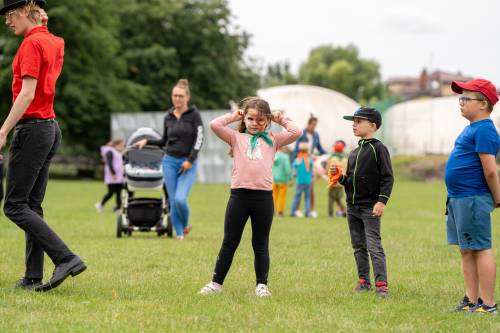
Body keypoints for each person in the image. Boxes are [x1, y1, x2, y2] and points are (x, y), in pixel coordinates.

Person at [0, 0, 86, 292]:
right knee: (31, 205)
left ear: (25, 10)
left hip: (33, 129)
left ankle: (66, 257)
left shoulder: (30, 45)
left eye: (10, 15)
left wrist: (2, 131)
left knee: (13, 206)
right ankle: (33, 275)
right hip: (50, 128)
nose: (6, 21)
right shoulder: (52, 41)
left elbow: (26, 95)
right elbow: (48, 50)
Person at [199, 97, 301, 296]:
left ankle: (262, 285)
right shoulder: (236, 138)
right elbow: (214, 124)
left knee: (260, 242)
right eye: (251, 119)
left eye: (261, 120)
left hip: (263, 199)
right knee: (230, 241)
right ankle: (216, 284)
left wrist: (280, 119)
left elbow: (297, 132)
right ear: (245, 119)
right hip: (239, 198)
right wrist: (234, 116)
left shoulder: (274, 139)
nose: (255, 123)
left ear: (267, 121)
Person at [445, 79, 499, 315]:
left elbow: (490, 170)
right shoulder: (472, 128)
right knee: (467, 249)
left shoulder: (485, 129)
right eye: (461, 98)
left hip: (473, 198)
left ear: (483, 104)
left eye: (466, 98)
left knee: (481, 248)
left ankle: (488, 304)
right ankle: (471, 298)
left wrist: (498, 197)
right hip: (458, 198)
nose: (461, 103)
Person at [329, 107, 394, 298]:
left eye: (358, 121)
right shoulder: (355, 152)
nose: (354, 124)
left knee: (374, 245)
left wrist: (381, 201)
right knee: (358, 245)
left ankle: (381, 285)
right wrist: (340, 178)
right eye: (353, 121)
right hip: (352, 206)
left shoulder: (378, 148)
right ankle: (364, 281)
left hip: (370, 207)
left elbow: (388, 178)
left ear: (372, 126)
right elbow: (350, 181)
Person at [135, 79, 204, 240]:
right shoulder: (168, 117)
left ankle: (185, 225)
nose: (177, 98)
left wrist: (190, 160)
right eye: (174, 95)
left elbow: (199, 139)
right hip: (169, 162)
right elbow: (164, 141)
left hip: (188, 163)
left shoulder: (194, 115)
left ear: (187, 97)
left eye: (180, 96)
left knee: (181, 199)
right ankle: (179, 235)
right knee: (173, 201)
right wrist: (147, 141)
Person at [294, 114, 326, 218]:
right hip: (301, 161)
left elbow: (320, 148)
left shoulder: (316, 135)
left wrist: (328, 155)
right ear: (308, 124)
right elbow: (297, 150)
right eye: (312, 124)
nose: (314, 127)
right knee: (299, 188)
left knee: (310, 187)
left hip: (311, 162)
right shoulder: (302, 134)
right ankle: (296, 210)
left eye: (315, 125)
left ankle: (311, 210)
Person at [95, 139, 124, 213]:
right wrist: (113, 173)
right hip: (112, 177)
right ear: (116, 145)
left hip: (119, 177)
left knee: (118, 193)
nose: (122, 146)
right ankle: (100, 204)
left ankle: (118, 208)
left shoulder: (118, 152)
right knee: (111, 193)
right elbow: (109, 163)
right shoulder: (110, 151)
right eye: (121, 145)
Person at [290, 142, 314, 218]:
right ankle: (307, 212)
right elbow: (312, 172)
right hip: (308, 181)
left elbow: (294, 172)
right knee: (307, 197)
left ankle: (293, 211)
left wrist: (293, 177)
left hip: (299, 181)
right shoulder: (309, 160)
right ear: (307, 150)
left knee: (297, 196)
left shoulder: (297, 160)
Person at [326, 140, 348, 218]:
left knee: (331, 198)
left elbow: (328, 168)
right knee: (338, 198)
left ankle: (331, 214)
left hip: (333, 181)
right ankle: (345, 211)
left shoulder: (332, 158)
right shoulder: (345, 158)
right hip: (342, 182)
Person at [272, 145, 292, 217]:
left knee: (273, 196)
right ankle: (280, 211)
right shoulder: (285, 157)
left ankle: (272, 210)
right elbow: (287, 169)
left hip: (274, 179)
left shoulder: (273, 155)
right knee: (282, 196)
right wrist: (290, 178)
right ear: (282, 148)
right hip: (283, 180)